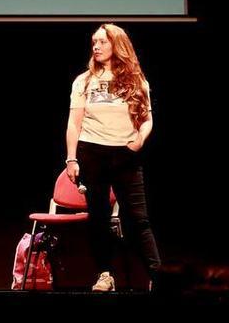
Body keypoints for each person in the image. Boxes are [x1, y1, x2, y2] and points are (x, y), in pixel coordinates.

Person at [64, 23, 161, 291]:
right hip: (92, 152)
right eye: (94, 42)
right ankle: (105, 274)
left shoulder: (136, 80)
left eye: (102, 42)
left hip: (125, 155)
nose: (96, 46)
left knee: (138, 219)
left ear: (117, 45)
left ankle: (157, 275)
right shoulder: (83, 81)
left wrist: (139, 140)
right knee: (99, 218)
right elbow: (74, 123)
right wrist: (71, 159)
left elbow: (146, 119)